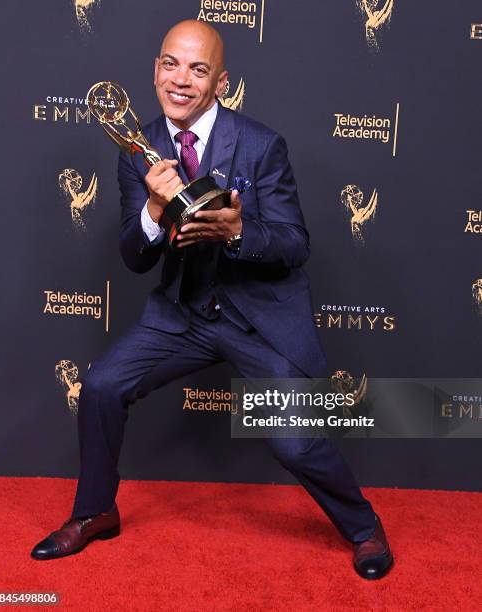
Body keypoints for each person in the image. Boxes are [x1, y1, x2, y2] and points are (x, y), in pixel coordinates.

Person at [31, 20, 393, 579]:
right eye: (171, 64)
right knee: (102, 385)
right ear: (155, 70)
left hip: (258, 316)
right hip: (182, 313)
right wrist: (153, 211)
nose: (181, 80)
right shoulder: (137, 149)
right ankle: (96, 511)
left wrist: (238, 232)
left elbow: (296, 245)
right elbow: (134, 258)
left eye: (198, 70)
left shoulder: (261, 145)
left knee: (295, 444)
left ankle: (365, 527)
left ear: (220, 82)